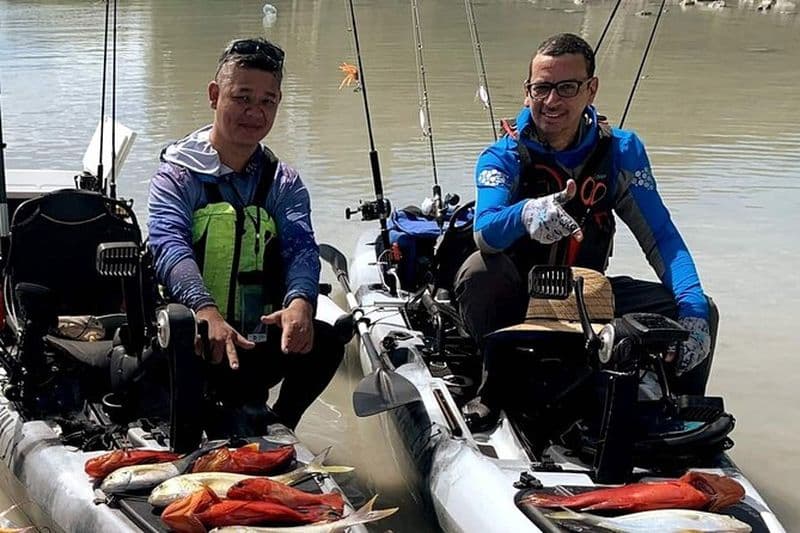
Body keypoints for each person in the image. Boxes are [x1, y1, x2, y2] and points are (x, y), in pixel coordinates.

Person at [454, 33, 717, 429]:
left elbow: (661, 237)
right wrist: (529, 214)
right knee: (479, 270)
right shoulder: (503, 155)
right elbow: (485, 233)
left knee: (701, 309)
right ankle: (495, 388)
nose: (552, 101)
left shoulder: (622, 153)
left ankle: (681, 417)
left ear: (591, 89)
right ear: (527, 93)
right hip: (518, 296)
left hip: (585, 295)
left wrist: (692, 311)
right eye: (541, 88)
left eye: (567, 87)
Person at [147, 38, 344, 435]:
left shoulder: (282, 180)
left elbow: (301, 247)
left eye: (268, 101)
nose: (255, 112)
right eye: (242, 97)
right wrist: (205, 310)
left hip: (252, 340)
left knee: (326, 339)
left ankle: (279, 426)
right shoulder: (177, 176)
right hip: (194, 338)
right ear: (214, 95)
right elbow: (168, 246)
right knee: (175, 341)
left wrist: (300, 301)